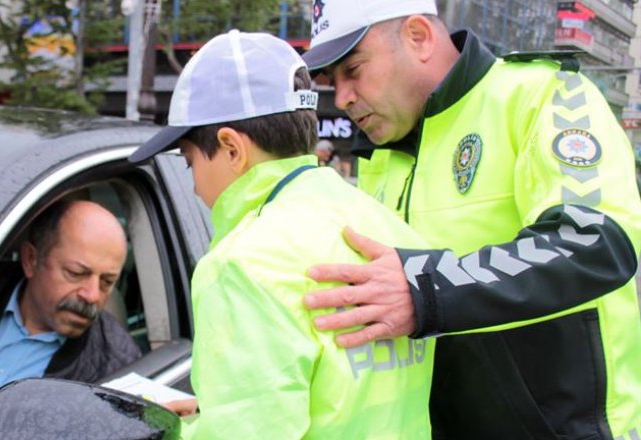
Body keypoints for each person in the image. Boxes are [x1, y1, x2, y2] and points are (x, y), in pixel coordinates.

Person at [300, 1, 641, 438]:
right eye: (332, 81)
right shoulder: (382, 154)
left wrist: (427, 291)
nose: (342, 97)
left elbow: (594, 241)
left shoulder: (544, 95)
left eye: (353, 70)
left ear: (418, 36)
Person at [129, 30, 434, 439]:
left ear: (231, 148)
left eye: (189, 163)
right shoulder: (387, 228)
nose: (196, 187)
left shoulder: (243, 264)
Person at [0, 200, 141, 420]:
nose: (92, 295)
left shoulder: (116, 366)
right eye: (75, 273)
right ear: (30, 260)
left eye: (107, 282)